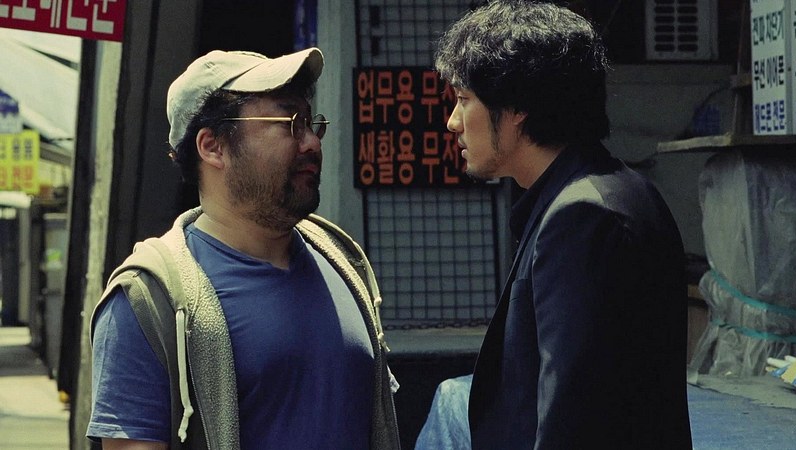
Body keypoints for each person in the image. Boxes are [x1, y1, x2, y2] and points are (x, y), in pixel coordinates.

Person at [86, 48, 401, 450]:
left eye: (310, 123)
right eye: (290, 123)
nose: (311, 143)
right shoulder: (148, 300)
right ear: (212, 147)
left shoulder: (343, 263)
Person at [434, 1, 693, 448]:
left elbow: (575, 422)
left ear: (517, 105)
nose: (453, 122)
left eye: (463, 99)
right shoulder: (607, 193)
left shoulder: (584, 216)